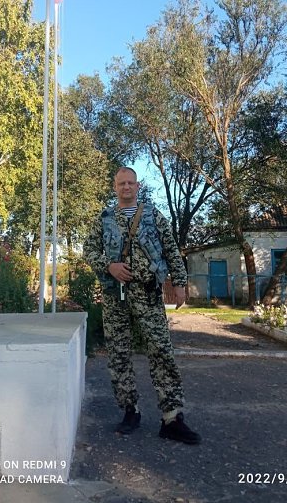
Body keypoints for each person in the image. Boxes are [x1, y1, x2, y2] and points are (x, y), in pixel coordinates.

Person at [83, 167, 201, 445]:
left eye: (131, 183)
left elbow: (171, 249)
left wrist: (180, 283)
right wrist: (109, 266)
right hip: (115, 297)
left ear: (137, 187)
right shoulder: (104, 219)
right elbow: (88, 249)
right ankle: (130, 411)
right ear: (115, 188)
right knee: (119, 354)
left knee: (161, 351)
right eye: (121, 183)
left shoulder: (153, 216)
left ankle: (172, 418)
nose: (126, 187)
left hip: (148, 295)